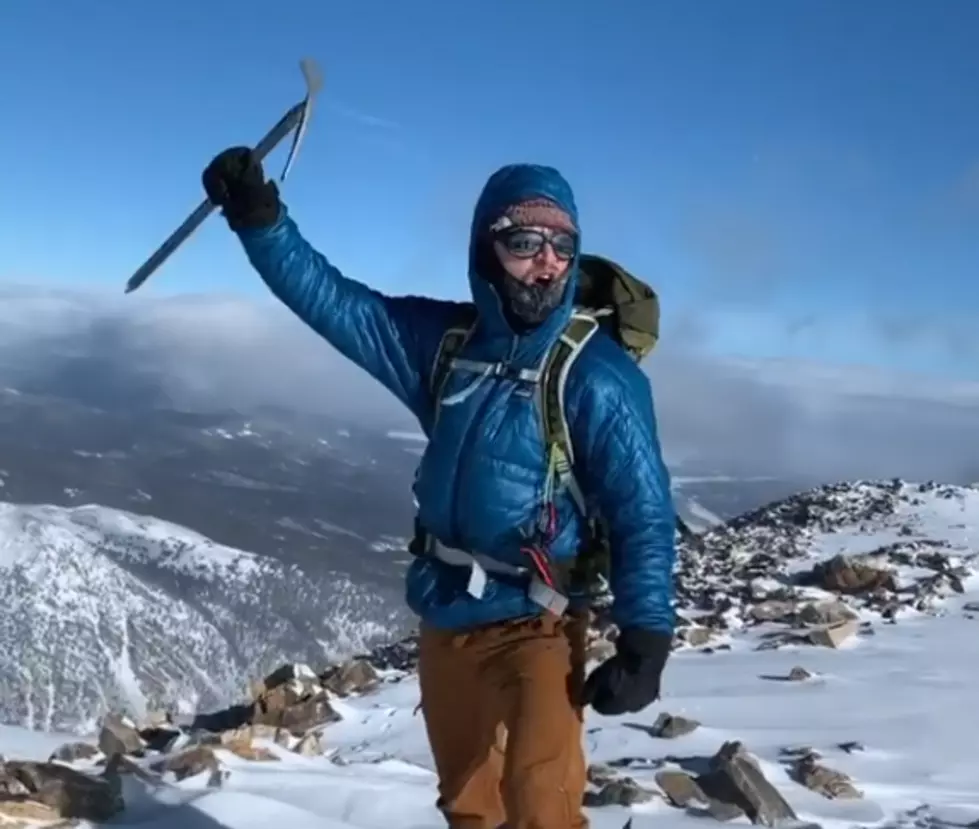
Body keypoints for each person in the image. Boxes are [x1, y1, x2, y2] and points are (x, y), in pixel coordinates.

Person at [202, 147, 677, 829]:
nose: (546, 261)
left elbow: (643, 512)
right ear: (487, 247)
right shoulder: (449, 345)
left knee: (542, 804)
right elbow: (338, 305)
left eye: (562, 246)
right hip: (446, 611)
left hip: (536, 618)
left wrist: (645, 637)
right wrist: (259, 218)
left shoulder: (597, 377)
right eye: (523, 241)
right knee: (469, 804)